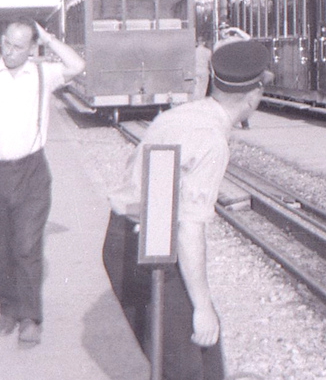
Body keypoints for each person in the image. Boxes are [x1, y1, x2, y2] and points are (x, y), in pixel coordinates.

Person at [103, 39, 274, 380]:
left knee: (187, 361)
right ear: (254, 96)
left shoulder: (183, 114)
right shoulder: (212, 140)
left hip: (124, 240)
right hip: (152, 251)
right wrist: (202, 306)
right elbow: (188, 229)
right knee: (193, 366)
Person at [0, 21, 86, 347]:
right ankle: (7, 308)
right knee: (2, 248)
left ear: (31, 49)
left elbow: (77, 65)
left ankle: (29, 317)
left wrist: (49, 38)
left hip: (31, 173)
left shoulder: (42, 74)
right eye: (6, 43)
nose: (8, 51)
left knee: (26, 246)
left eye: (18, 46)